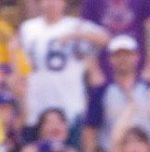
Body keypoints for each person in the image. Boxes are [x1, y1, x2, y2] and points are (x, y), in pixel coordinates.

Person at [18, 0, 109, 130]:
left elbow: (105, 39)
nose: (52, 3)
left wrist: (75, 35)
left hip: (69, 103)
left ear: (64, 3)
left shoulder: (75, 25)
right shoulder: (28, 27)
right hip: (37, 103)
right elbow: (19, 55)